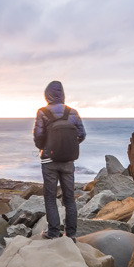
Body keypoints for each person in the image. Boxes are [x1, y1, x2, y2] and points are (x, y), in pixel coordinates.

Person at [32, 80, 86, 238]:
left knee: (50, 197)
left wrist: (45, 148)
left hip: (49, 161)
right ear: (62, 95)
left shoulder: (42, 112)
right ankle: (71, 235)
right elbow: (81, 135)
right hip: (68, 161)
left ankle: (54, 232)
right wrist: (68, 147)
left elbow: (38, 136)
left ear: (47, 95)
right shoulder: (72, 112)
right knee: (69, 198)